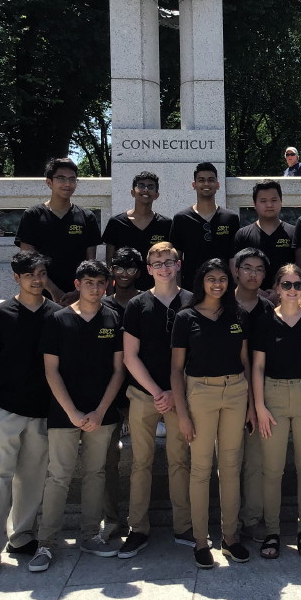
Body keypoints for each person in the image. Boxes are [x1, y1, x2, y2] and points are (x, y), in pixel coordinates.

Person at [30, 260, 125, 572]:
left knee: (96, 473)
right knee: (58, 475)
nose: (95, 288)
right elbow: (50, 370)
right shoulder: (58, 320)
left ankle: (89, 535)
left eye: (100, 283)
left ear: (108, 285)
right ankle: (46, 543)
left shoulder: (113, 317)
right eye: (89, 282)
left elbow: (118, 370)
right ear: (77, 284)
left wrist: (99, 411)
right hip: (63, 413)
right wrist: (72, 412)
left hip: (102, 414)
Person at [0, 251, 60, 578]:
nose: (36, 280)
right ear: (16, 278)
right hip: (2, 409)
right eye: (29, 275)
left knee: (33, 477)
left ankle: (22, 537)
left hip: (41, 411)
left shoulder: (56, 314)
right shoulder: (0, 314)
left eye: (40, 273)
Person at [171, 258, 255, 569]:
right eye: (211, 278)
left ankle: (231, 539)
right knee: (201, 468)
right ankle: (201, 541)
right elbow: (176, 370)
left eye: (222, 278)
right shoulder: (186, 317)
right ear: (201, 282)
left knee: (231, 466)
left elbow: (245, 360)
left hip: (235, 390)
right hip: (200, 393)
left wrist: (250, 404)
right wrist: (182, 414)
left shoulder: (238, 315)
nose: (217, 283)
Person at [117, 243, 194, 558]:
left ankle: (184, 525)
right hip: (143, 394)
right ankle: (138, 529)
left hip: (182, 396)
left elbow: (197, 353)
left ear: (178, 264)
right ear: (148, 269)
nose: (163, 267)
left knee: (180, 461)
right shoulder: (137, 304)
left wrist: (175, 394)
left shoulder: (192, 300)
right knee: (140, 463)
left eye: (169, 262)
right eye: (157, 263)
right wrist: (156, 393)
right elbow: (130, 356)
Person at [251, 264, 301, 558]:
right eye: (286, 284)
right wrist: (259, 405)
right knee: (272, 470)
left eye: (298, 284)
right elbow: (257, 366)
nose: (292, 290)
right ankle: (273, 532)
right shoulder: (264, 321)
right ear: (277, 287)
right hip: (272, 395)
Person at [98, 246, 143, 540]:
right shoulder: (101, 306)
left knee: (144, 460)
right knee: (108, 461)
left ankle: (142, 521)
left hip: (144, 392)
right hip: (111, 394)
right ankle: (112, 520)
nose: (124, 274)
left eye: (130, 268)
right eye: (119, 267)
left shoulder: (147, 302)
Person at [233, 247, 276, 543]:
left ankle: (252, 518)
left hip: (260, 392)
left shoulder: (267, 310)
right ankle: (229, 519)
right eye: (247, 268)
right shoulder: (220, 303)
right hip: (226, 391)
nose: (253, 274)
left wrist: (255, 402)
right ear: (236, 271)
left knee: (255, 460)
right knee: (228, 459)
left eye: (259, 269)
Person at [15, 157, 101, 304]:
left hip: (78, 296)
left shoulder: (87, 217)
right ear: (49, 182)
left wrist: (78, 290)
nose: (67, 184)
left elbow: (90, 262)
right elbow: (27, 260)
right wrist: (53, 290)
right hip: (40, 295)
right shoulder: (33, 215)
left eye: (72, 179)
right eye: (61, 178)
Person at [170, 163, 241, 294]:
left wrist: (236, 289)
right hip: (190, 289)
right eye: (201, 180)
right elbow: (176, 260)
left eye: (211, 180)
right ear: (194, 185)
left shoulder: (230, 218)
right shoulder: (181, 218)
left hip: (223, 289)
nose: (206, 184)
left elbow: (234, 259)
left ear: (218, 185)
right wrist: (177, 292)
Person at [101, 171, 171, 291]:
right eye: (141, 185)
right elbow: (109, 263)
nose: (145, 190)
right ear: (133, 192)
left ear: (156, 194)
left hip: (156, 290)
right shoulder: (116, 223)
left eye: (150, 187)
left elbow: (170, 260)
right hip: (123, 292)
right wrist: (110, 291)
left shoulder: (166, 224)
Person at [232, 180, 295, 295]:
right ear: (254, 204)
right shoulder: (243, 235)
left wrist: (280, 292)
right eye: (263, 201)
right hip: (251, 299)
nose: (269, 205)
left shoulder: (293, 233)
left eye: (274, 200)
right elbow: (235, 271)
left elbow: (299, 269)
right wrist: (258, 292)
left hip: (287, 298)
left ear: (281, 201)